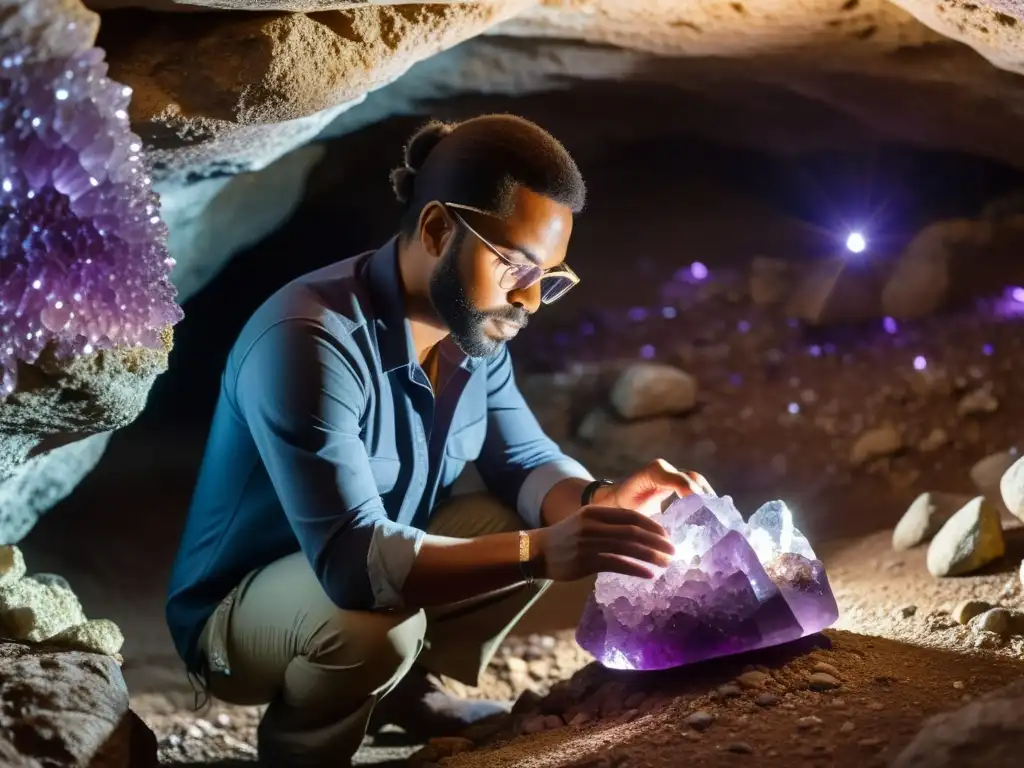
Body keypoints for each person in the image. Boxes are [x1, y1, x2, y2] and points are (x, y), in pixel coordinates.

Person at [165, 114, 713, 767]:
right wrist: (542, 552)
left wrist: (599, 502)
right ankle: (304, 751)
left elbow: (524, 461)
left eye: (550, 277)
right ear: (436, 230)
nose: (531, 300)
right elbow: (353, 564)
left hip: (361, 575)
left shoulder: (471, 334)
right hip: (240, 615)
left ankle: (402, 697)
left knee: (519, 516)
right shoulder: (307, 338)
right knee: (378, 625)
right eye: (516, 264)